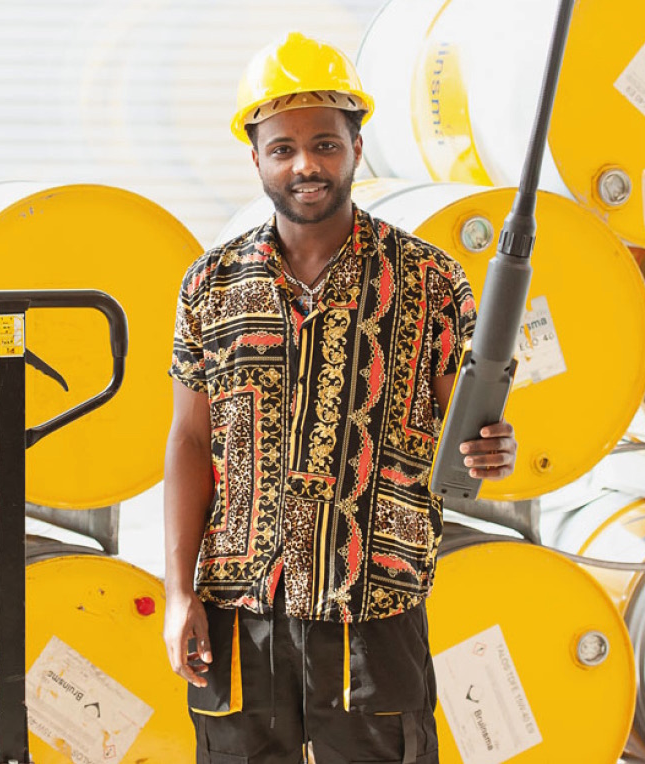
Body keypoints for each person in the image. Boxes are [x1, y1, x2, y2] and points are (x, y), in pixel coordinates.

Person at [163, 32, 517, 764]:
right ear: (255, 158)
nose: (305, 165)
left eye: (324, 144)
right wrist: (178, 594)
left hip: (375, 606)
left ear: (356, 147)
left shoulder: (430, 281)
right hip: (241, 603)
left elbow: (467, 436)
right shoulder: (210, 285)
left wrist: (491, 447)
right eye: (283, 148)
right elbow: (189, 444)